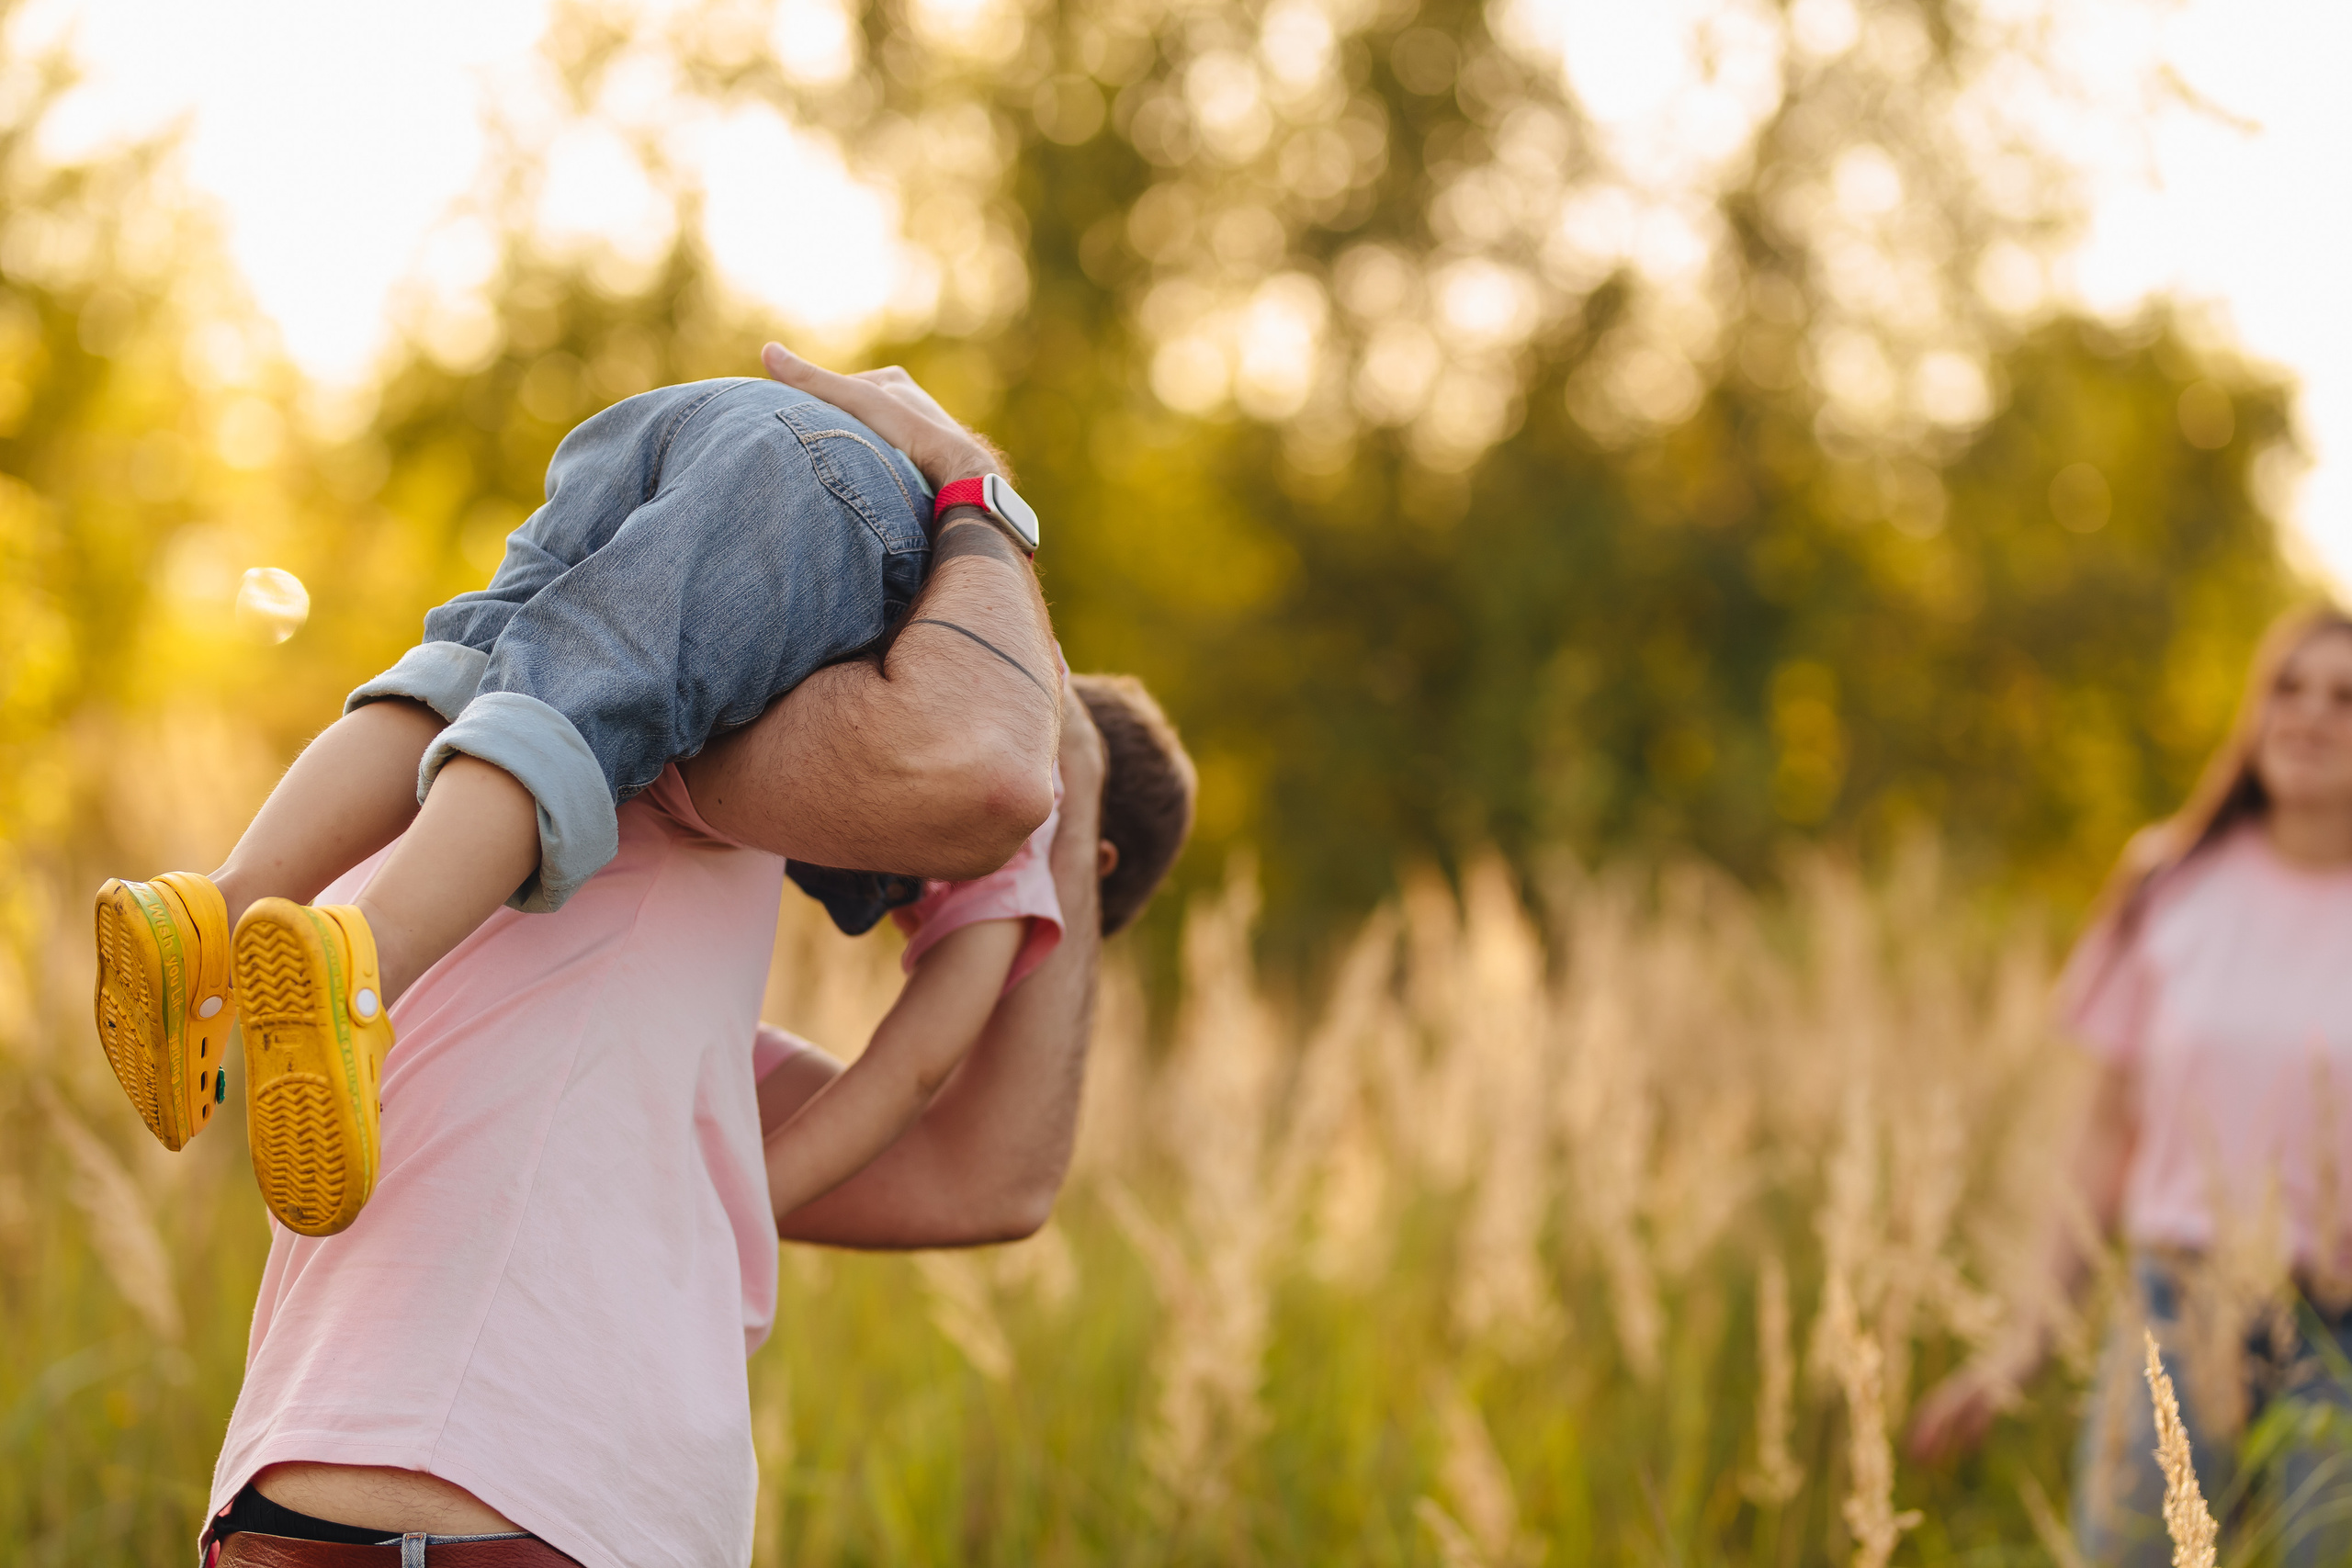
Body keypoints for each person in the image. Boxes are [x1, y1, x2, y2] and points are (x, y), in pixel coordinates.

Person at [188, 355, 1149, 1567]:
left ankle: (200, 915)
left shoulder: (607, 971)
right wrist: (978, 502)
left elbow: (987, 1180)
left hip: (290, 1511)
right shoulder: (668, 760)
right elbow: (991, 777)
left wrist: (726, 1199)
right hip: (540, 1512)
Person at [92, 344, 1058, 1238]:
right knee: (591, 698)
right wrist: (735, 1211)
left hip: (684, 422)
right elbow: (915, 1068)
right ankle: (364, 961)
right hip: (837, 496)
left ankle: (210, 910)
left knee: (471, 666)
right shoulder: (1021, 762)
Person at [1906, 604, 2352, 1567]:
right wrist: (2020, 1345)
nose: (2311, 716)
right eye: (2288, 687)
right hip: (2174, 1306)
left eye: (2343, 697)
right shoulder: (2169, 881)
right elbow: (2103, 1135)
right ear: (2253, 712)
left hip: (2339, 1328)